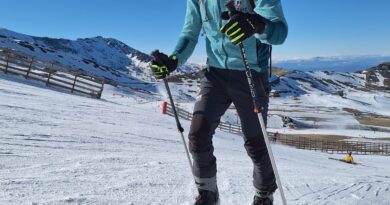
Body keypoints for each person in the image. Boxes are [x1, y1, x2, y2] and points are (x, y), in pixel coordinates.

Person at [150, 0, 288, 204]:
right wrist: (174, 60)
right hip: (215, 74)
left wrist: (256, 24)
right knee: (198, 136)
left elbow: (279, 33)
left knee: (257, 144)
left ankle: (264, 194)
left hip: (251, 72)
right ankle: (208, 193)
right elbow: (190, 34)